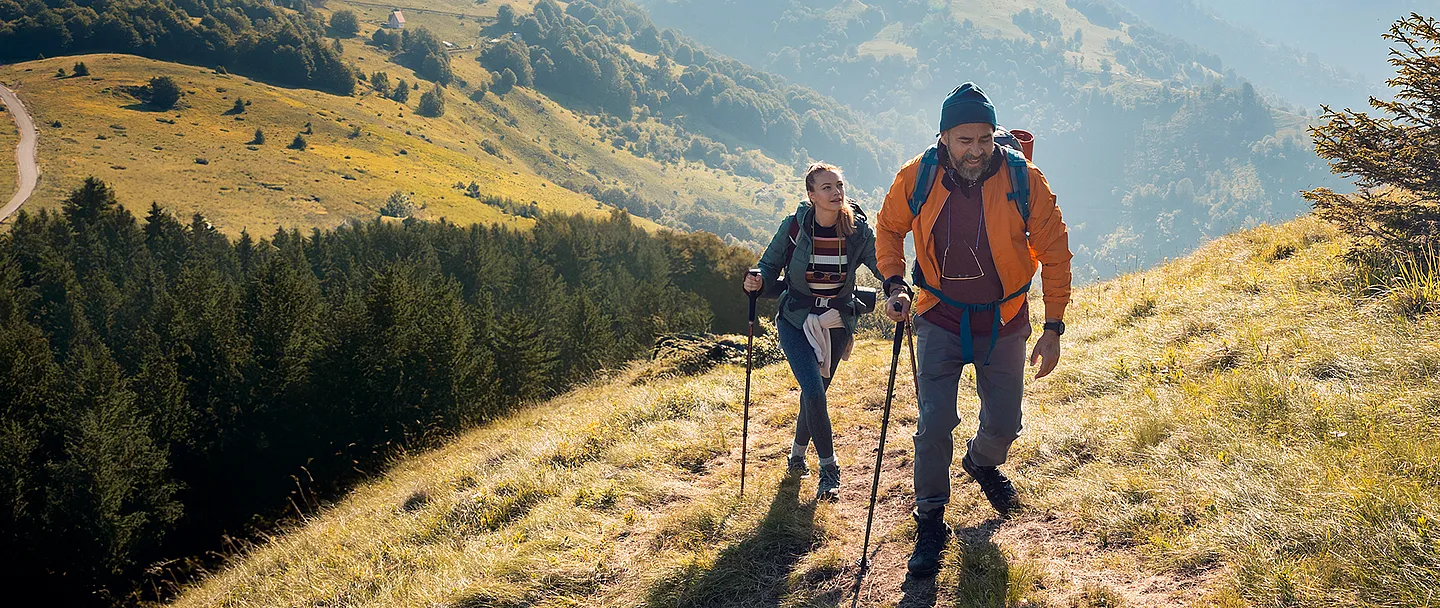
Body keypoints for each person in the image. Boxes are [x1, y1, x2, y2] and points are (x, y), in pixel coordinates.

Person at [874, 83, 1073, 577]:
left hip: (1004, 320)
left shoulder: (1024, 179)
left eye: (984, 139)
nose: (976, 150)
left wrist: (1053, 326)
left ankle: (982, 462)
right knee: (934, 423)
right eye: (965, 139)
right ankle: (930, 521)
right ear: (944, 138)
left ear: (994, 137)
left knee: (1005, 423)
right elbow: (888, 227)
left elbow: (1055, 251)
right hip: (939, 315)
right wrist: (894, 282)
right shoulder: (917, 176)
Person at [744, 162, 885, 501]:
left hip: (836, 323)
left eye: (839, 186)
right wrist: (757, 279)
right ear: (811, 195)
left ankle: (795, 457)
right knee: (814, 392)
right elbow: (768, 265)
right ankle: (829, 468)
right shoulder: (793, 227)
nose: (836, 193)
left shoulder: (858, 232)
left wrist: (898, 286)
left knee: (814, 395)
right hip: (794, 319)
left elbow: (884, 264)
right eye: (827, 188)